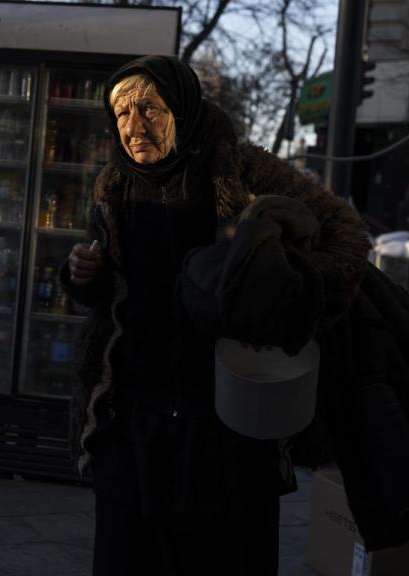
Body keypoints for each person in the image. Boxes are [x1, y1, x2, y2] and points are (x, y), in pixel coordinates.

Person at [60, 55, 371, 574]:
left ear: (182, 107)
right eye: (121, 114)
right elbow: (112, 294)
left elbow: (347, 238)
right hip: (135, 420)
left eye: (150, 109)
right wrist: (82, 274)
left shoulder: (244, 169)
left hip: (229, 426)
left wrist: (291, 298)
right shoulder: (112, 186)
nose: (134, 127)